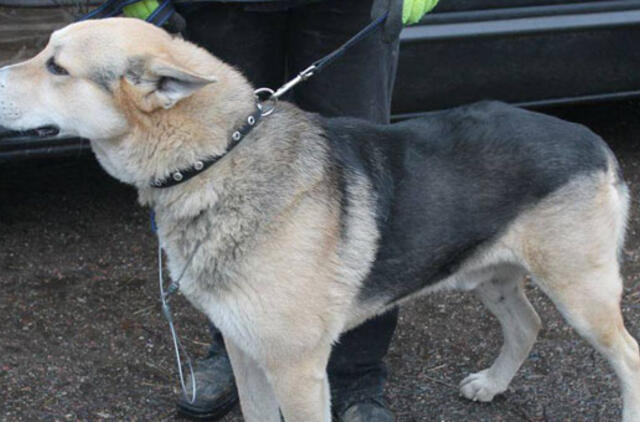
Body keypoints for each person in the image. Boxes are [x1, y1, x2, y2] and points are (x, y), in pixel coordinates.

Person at [124, 0, 438, 420]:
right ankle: (235, 347)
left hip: (350, 9)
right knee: (222, 179)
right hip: (220, 7)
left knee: (365, 183)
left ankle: (356, 376)